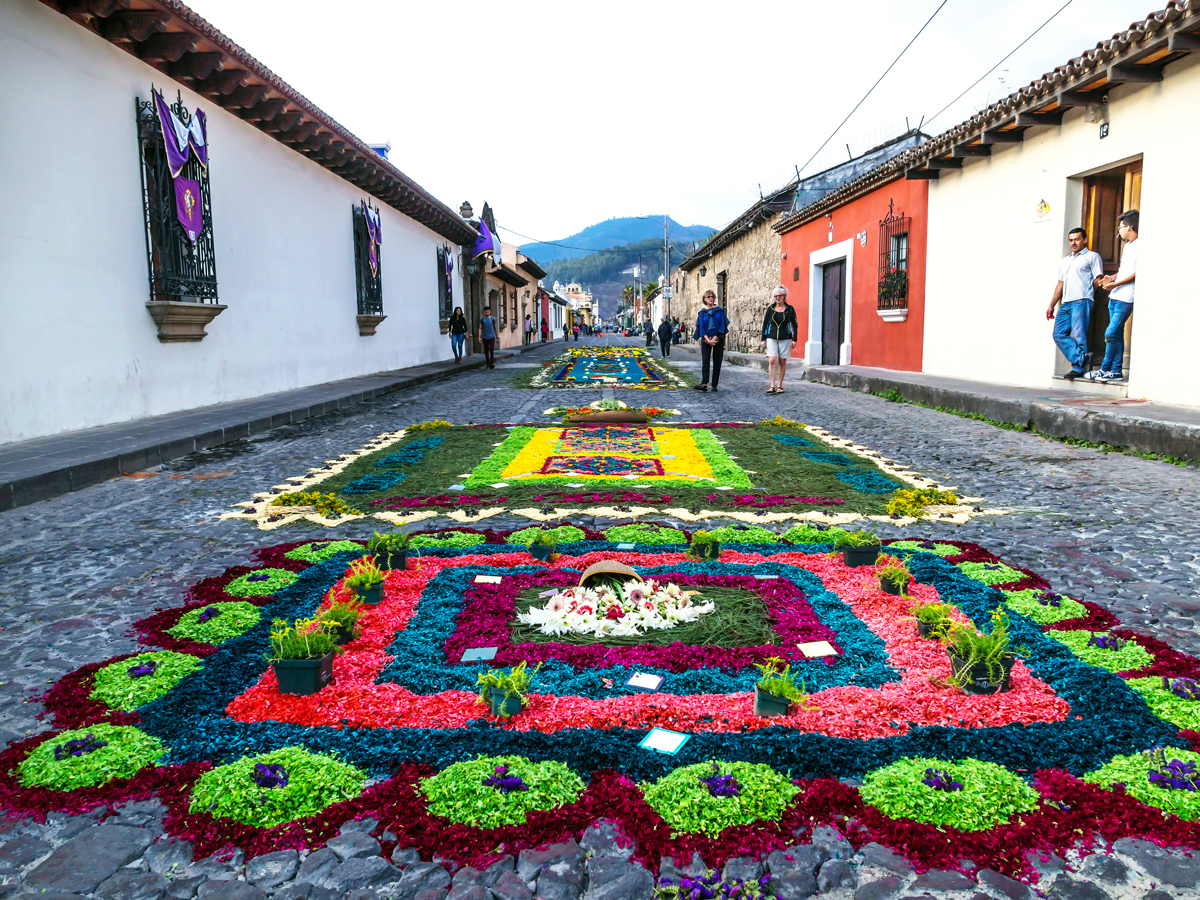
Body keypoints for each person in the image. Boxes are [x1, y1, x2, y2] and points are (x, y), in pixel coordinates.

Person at [1046, 227, 1105, 379]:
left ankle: (1078, 368)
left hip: (1081, 300)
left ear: (1084, 240)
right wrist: (1052, 304)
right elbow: (1060, 284)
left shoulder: (1092, 257)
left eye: (1077, 239)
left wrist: (1087, 292)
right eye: (1071, 240)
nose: (1073, 243)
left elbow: (1098, 279)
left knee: (1079, 334)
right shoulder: (1065, 261)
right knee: (1058, 334)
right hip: (1065, 303)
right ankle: (1082, 358)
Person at [1090, 209, 1138, 382]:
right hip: (1115, 296)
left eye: (1121, 226)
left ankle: (1104, 368)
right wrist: (1111, 277)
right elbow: (1124, 271)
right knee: (1116, 334)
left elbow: (1137, 273)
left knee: (1110, 334)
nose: (1119, 230)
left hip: (1126, 297)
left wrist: (1115, 284)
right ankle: (1116, 371)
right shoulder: (1128, 247)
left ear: (1130, 227)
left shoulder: (1141, 245)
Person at [760, 285, 798, 394]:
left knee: (782, 362)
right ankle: (772, 385)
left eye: (779, 296)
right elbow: (766, 324)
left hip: (785, 337)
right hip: (771, 337)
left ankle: (780, 385)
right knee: (772, 361)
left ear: (784, 296)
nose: (777, 298)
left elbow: (794, 324)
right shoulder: (770, 309)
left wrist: (794, 339)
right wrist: (763, 339)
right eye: (775, 296)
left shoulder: (789, 309)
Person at [693, 290, 728, 392]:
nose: (710, 298)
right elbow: (701, 327)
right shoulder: (702, 313)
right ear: (704, 299)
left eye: (712, 296)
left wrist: (716, 337)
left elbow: (722, 325)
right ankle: (704, 383)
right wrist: (707, 339)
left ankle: (714, 384)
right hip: (706, 339)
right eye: (708, 297)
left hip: (718, 339)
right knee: (705, 361)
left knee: (717, 361)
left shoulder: (720, 311)